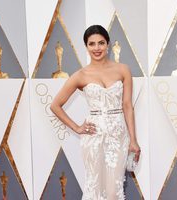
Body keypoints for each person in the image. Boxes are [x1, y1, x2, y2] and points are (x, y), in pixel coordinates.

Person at [50, 25, 141, 200]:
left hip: (118, 136)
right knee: (94, 187)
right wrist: (77, 128)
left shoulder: (123, 70)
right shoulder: (80, 75)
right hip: (93, 136)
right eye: (92, 44)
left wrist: (133, 140)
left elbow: (128, 105)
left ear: (108, 44)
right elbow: (55, 105)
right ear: (86, 46)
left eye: (101, 43)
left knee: (114, 190)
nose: (97, 48)